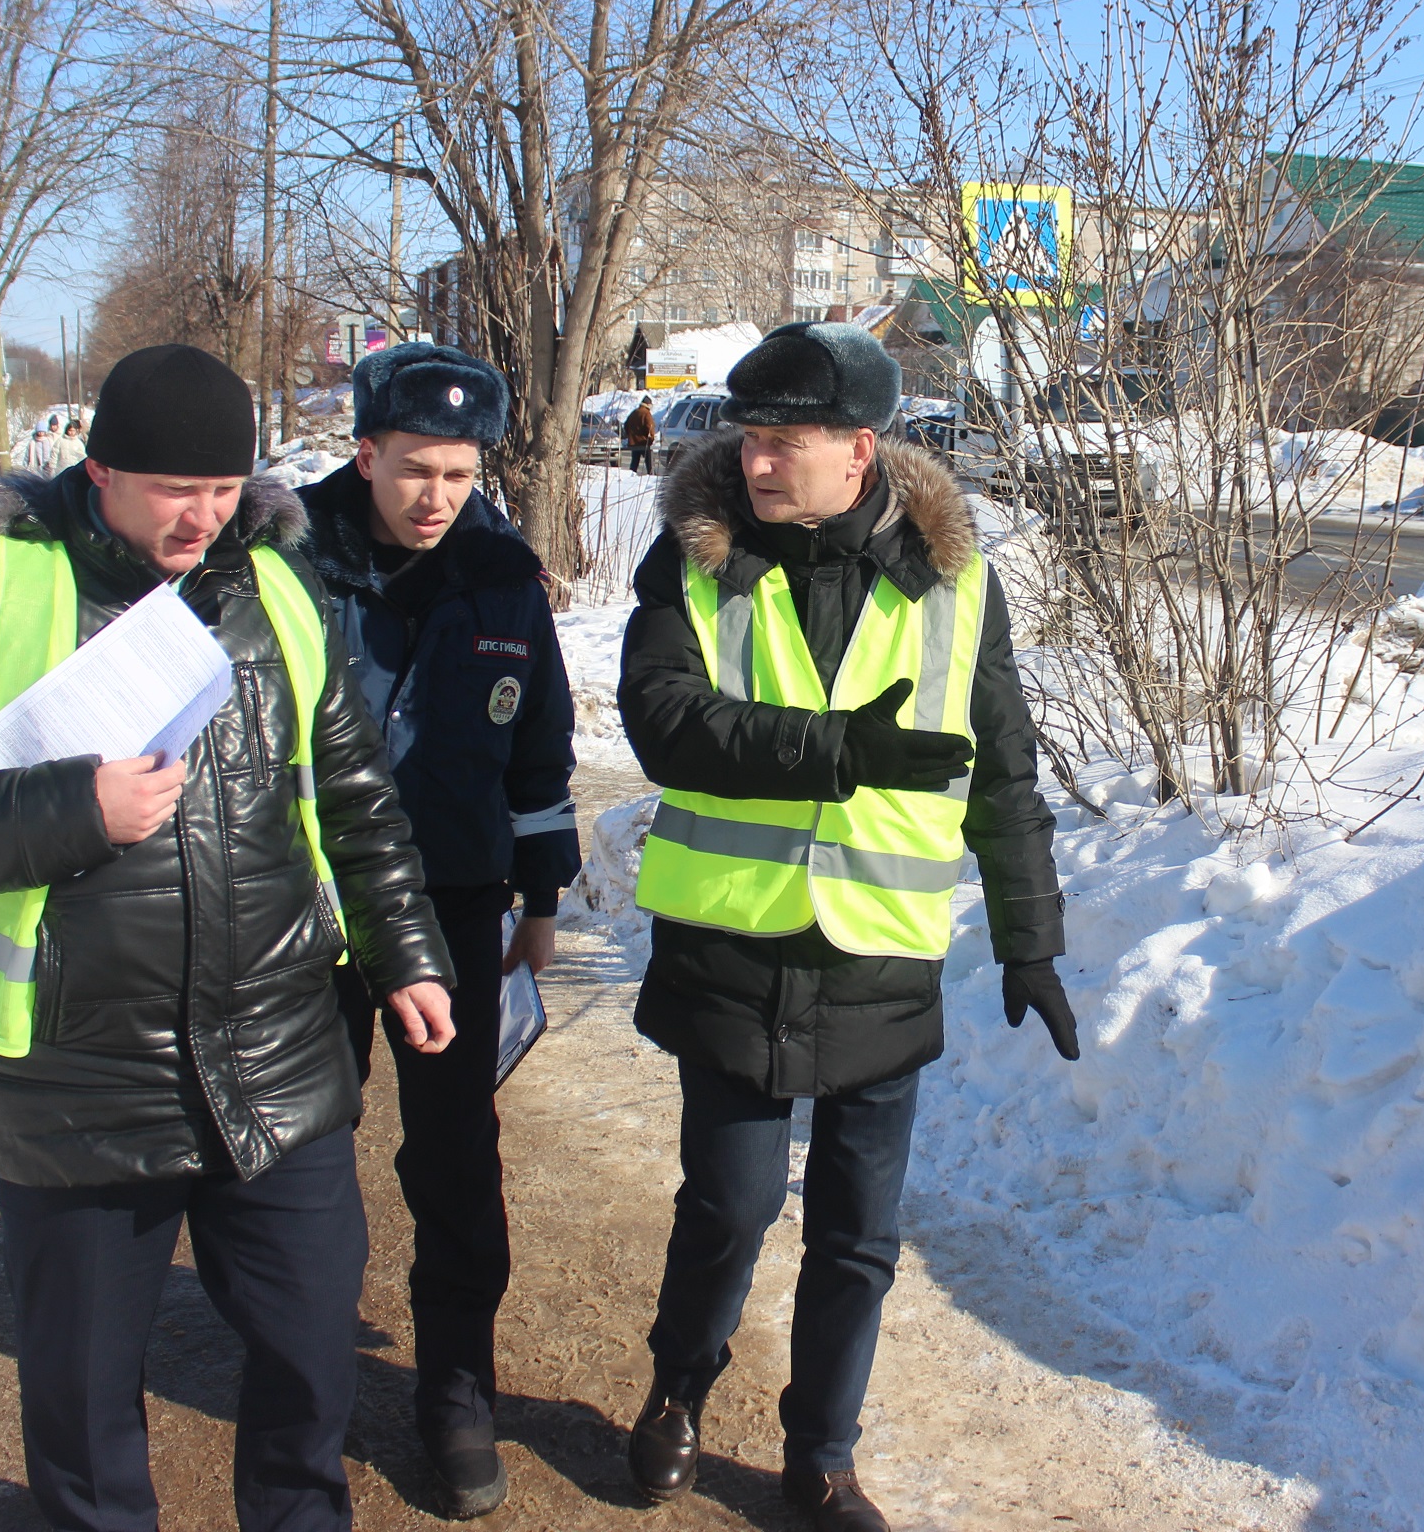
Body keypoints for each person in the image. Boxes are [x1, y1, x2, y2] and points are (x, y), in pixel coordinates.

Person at [0, 344, 457, 1532]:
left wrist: (407, 953)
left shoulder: (279, 588)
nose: (203, 518)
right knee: (80, 1403)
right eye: (176, 491)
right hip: (76, 1084)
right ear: (100, 467)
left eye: (224, 491)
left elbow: (357, 796)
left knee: (312, 1360)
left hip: (276, 1057)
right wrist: (73, 807)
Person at [615, 321, 1079, 1532]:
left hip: (882, 948)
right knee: (729, 1206)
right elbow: (663, 721)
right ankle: (677, 1389)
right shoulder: (694, 560)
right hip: (734, 941)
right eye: (749, 438)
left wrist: (1030, 935)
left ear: (860, 450)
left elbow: (1005, 771)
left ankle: (821, 1459)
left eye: (785, 443)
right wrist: (833, 753)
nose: (757, 462)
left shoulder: (956, 579)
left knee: (859, 1234)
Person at [297, 342, 581, 1518]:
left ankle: (458, 1388)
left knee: (455, 1155)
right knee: (300, 1158)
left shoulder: (503, 575)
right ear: (365, 453)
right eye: (414, 469)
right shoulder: (285, 561)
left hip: (459, 904)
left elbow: (539, 749)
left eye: (458, 475)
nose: (435, 497)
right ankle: (298, 1388)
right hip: (307, 906)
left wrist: (544, 898)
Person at [624, 394, 657, 475]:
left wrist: (630, 436)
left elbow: (625, 425)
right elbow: (650, 427)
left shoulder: (633, 413)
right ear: (648, 405)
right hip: (644, 442)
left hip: (634, 443)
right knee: (649, 464)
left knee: (634, 463)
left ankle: (630, 477)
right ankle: (651, 477)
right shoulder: (646, 413)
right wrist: (651, 439)